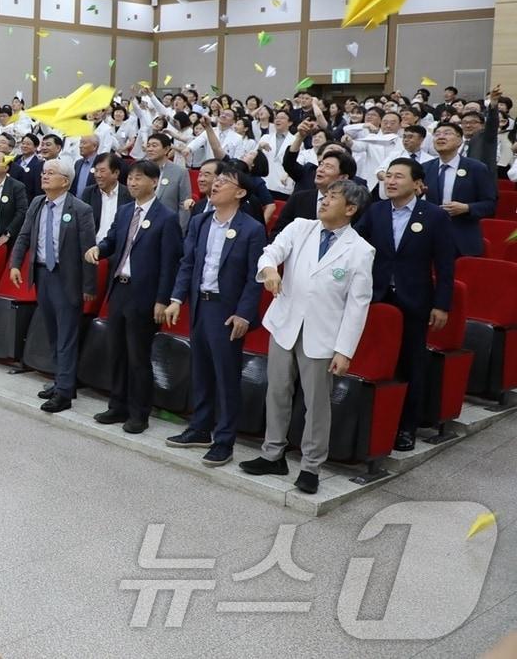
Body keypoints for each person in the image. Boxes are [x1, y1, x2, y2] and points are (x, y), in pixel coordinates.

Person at [240, 180, 375, 494]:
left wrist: (344, 350)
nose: (324, 201)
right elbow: (271, 252)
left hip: (322, 334)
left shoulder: (360, 250)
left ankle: (311, 466)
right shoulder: (300, 227)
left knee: (316, 403)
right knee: (277, 391)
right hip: (285, 324)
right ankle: (273, 454)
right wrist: (270, 270)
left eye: (333, 197)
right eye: (325, 196)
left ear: (351, 209)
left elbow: (358, 305)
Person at [163, 162, 266, 467]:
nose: (217, 184)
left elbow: (255, 278)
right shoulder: (201, 222)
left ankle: (224, 440)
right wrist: (176, 299)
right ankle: (200, 428)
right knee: (201, 370)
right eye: (216, 179)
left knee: (226, 376)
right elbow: (188, 263)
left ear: (241, 192)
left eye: (225, 181)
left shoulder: (252, 229)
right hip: (201, 304)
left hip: (226, 310)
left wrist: (244, 314)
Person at [355, 158, 456, 451]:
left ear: (417, 184)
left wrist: (442, 304)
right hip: (377, 296)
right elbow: (354, 245)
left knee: (411, 362)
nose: (391, 181)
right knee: (376, 358)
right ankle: (372, 422)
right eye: (388, 176)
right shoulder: (375, 211)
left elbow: (445, 265)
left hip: (414, 299)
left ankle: (407, 427)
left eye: (399, 176)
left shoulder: (434, 216)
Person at [84, 160, 183, 433]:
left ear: (154, 181)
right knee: (116, 352)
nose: (133, 182)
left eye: (139, 178)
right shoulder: (126, 210)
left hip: (145, 295)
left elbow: (170, 264)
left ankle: (139, 413)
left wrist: (162, 299)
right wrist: (99, 249)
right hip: (120, 288)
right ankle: (117, 405)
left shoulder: (167, 218)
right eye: (131, 178)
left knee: (138, 356)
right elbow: (112, 240)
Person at [9, 160, 97, 413]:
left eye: (50, 173)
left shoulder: (80, 209)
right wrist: (15, 264)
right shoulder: (37, 203)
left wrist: (89, 286)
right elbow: (24, 235)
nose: (44, 176)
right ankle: (62, 380)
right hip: (41, 274)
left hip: (66, 278)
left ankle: (64, 393)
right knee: (53, 333)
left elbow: (88, 250)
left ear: (65, 181)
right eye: (44, 173)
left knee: (66, 336)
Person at [424, 123, 497, 257]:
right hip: (430, 237)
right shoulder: (425, 168)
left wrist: (467, 208)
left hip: (463, 237)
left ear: (459, 141)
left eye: (447, 133)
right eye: (437, 134)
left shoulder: (476, 168)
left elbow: (490, 204)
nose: (441, 137)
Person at [272, 150, 356, 239]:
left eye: (328, 167)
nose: (320, 169)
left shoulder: (350, 206)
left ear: (343, 177)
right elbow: (278, 232)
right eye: (321, 165)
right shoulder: (299, 198)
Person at [85, 152, 131, 240]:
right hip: (94, 244)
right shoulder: (89, 193)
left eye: (102, 171)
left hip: (118, 244)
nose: (98, 175)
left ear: (116, 173)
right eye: (96, 170)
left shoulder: (128, 194)